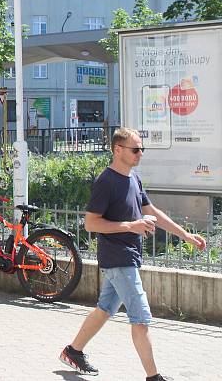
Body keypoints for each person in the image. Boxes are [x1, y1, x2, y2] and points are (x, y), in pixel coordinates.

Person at [59, 127, 205, 380]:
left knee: (105, 308)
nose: (140, 153)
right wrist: (130, 226)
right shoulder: (106, 181)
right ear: (118, 150)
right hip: (118, 258)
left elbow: (152, 211)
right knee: (141, 318)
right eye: (135, 149)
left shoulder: (133, 178)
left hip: (128, 256)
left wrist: (186, 236)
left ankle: (73, 351)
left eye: (141, 149)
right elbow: (91, 223)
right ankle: (153, 377)